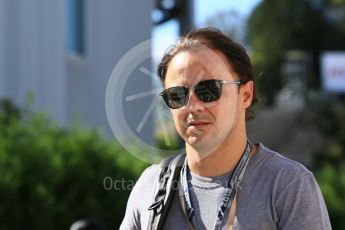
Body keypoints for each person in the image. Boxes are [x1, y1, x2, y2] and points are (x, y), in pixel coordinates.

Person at [120, 27, 331, 230]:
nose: (193, 106)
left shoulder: (288, 185)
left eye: (209, 90)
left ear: (245, 95)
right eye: (177, 95)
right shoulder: (151, 186)